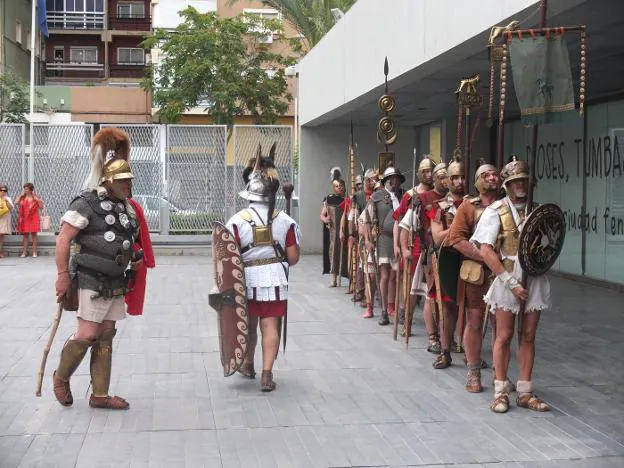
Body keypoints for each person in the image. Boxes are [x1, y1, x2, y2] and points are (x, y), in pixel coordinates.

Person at [52, 127, 142, 410]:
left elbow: (130, 239)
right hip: (90, 278)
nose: (129, 185)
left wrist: (134, 257)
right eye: (124, 181)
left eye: (129, 180)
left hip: (116, 280)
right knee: (88, 333)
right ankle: (61, 376)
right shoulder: (86, 202)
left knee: (106, 334)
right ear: (109, 180)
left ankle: (100, 395)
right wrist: (63, 276)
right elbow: (63, 238)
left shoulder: (125, 207)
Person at [470, 156, 551, 414]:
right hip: (507, 274)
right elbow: (485, 250)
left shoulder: (537, 211)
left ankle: (525, 391)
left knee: (528, 335)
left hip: (533, 274)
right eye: (514, 181)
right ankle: (501, 391)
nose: (520, 185)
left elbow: (549, 241)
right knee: (503, 335)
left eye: (523, 180)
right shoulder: (496, 211)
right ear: (506, 184)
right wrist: (509, 281)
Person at [226, 146, 300, 391]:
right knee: (270, 326)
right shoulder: (286, 222)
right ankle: (267, 374)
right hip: (274, 279)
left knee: (247, 326)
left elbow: (227, 257)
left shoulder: (237, 221)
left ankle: (247, 363)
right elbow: (293, 258)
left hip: (244, 279)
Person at [445, 159, 501, 391]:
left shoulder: (506, 206)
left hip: (501, 274)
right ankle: (473, 371)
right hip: (477, 273)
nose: (492, 178)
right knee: (475, 321)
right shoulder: (468, 207)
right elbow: (455, 239)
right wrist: (484, 257)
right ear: (478, 180)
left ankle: (501, 374)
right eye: (486, 175)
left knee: (501, 325)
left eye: (494, 174)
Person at [362, 165, 405, 325]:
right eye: (391, 178)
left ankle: (400, 309)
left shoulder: (404, 196)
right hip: (384, 240)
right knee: (385, 275)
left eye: (397, 178)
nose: (395, 181)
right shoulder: (377, 197)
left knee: (400, 276)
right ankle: (384, 311)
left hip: (403, 239)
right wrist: (367, 240)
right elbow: (367, 219)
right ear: (386, 180)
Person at [320, 169, 348, 287]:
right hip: (333, 231)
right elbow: (322, 214)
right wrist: (325, 219)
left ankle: (349, 277)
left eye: (341, 186)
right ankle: (333, 279)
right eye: (337, 186)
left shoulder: (347, 199)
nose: (339, 188)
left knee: (347, 252)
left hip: (346, 230)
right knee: (333, 252)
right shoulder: (329, 198)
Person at [15, 182, 43, 257]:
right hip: (24, 218)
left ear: (31, 190)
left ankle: (34, 252)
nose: (25, 190)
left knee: (34, 234)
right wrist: (20, 196)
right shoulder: (22, 197)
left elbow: (41, 207)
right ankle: (24, 252)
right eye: (24, 189)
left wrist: (38, 200)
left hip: (34, 217)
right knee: (25, 235)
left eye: (26, 189)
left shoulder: (35, 197)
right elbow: (16, 203)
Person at [0, 184, 15, 257]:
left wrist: (6, 201)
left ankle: (1, 252)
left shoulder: (7, 198)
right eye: (1, 190)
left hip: (4, 218)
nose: (3, 192)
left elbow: (11, 208)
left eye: (4, 190)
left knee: (1, 236)